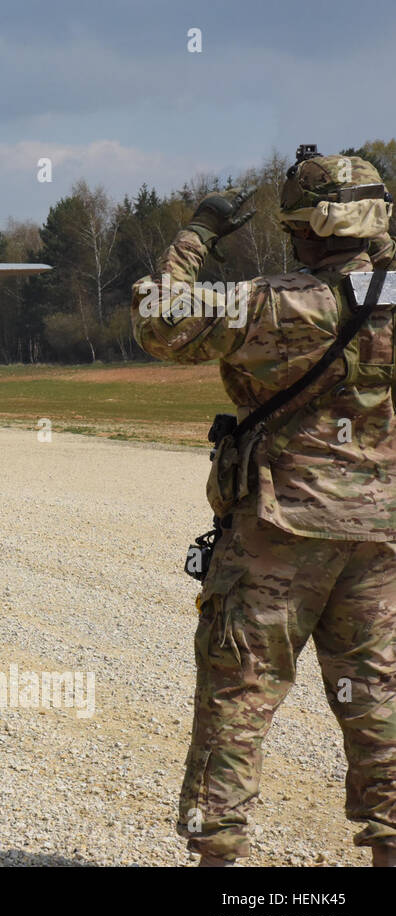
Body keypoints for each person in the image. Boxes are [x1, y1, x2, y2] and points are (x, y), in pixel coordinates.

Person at [130, 148, 396, 867]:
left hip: (279, 530)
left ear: (300, 228)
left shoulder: (271, 303)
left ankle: (221, 869)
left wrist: (198, 233)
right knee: (381, 709)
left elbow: (159, 319)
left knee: (237, 698)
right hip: (379, 535)